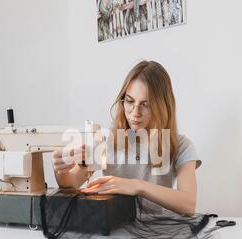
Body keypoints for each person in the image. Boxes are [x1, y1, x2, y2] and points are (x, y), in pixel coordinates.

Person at [51, 60, 202, 216]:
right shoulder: (103, 140)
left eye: (146, 104)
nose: (135, 112)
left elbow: (188, 204)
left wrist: (136, 186)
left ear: (162, 106)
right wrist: (60, 170)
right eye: (130, 101)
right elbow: (71, 184)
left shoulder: (181, 145)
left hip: (157, 230)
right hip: (113, 227)